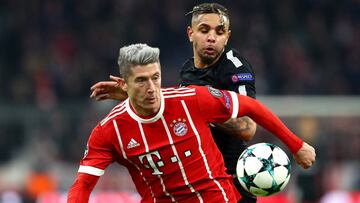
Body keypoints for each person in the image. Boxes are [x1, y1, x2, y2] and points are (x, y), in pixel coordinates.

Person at [88, 3, 312, 202]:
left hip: (231, 178)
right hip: (196, 178)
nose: (212, 37)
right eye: (204, 30)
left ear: (227, 36)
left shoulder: (235, 68)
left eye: (219, 31)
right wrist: (133, 95)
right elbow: (179, 107)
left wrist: (201, 111)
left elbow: (247, 128)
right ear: (191, 33)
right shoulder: (187, 70)